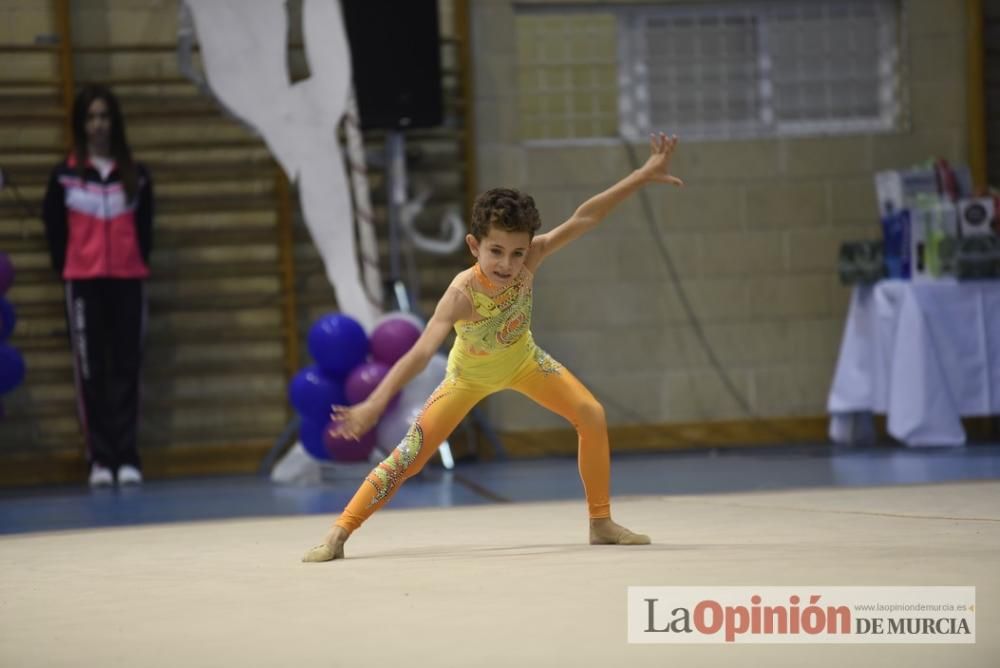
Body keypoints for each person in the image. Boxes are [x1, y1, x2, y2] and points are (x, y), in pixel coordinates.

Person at [303, 133, 683, 562]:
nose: (507, 264)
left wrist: (643, 174)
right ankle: (340, 532)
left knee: (591, 414)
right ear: (474, 246)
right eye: (496, 251)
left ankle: (601, 522)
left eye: (517, 253)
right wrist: (374, 403)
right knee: (409, 456)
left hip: (525, 362)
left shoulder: (532, 257)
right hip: (467, 378)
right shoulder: (461, 294)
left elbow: (585, 217)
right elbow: (421, 353)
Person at [42, 84, 154, 488]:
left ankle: (127, 455)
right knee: (90, 372)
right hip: (83, 285)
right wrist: (69, 268)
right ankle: (100, 459)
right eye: (91, 117)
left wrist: (134, 261)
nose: (99, 124)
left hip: (127, 281)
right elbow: (54, 231)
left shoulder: (135, 176)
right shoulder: (65, 176)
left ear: (115, 122)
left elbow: (145, 231)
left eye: (105, 116)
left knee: (127, 368)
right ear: (81, 124)